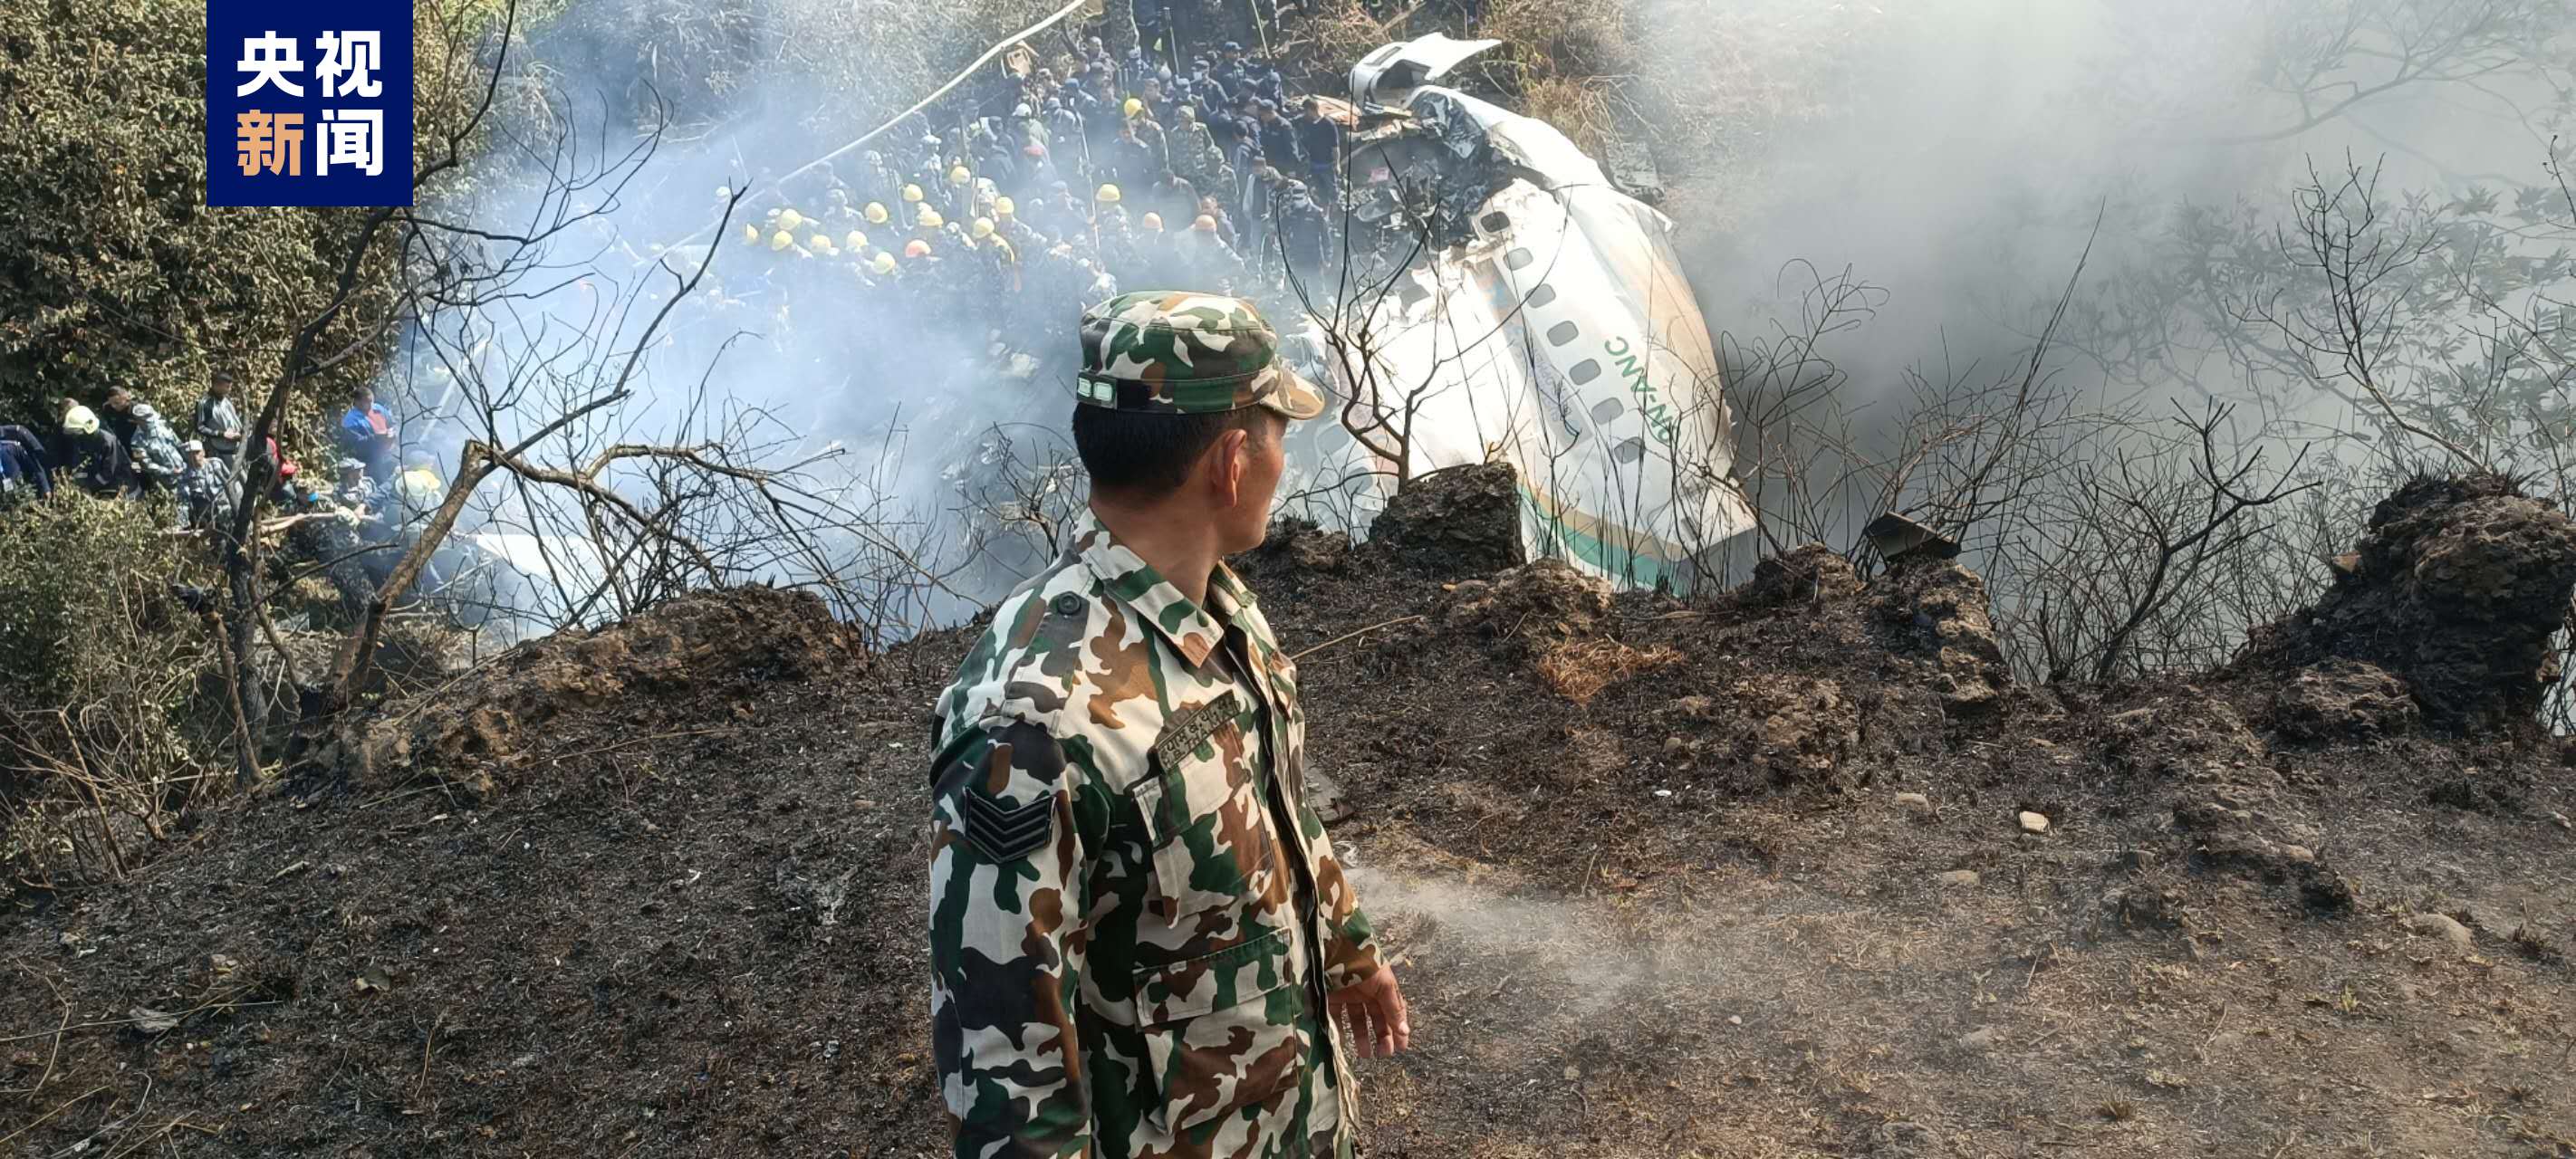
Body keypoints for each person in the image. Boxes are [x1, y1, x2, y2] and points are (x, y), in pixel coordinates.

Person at [927, 292, 1409, 1159]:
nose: (1280, 463)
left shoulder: (1217, 610)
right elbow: (1001, 1055)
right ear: (1232, 461)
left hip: (1282, 1120)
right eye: (1277, 436)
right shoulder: (1034, 714)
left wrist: (1345, 944)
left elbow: (1275, 805)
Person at [103, 387, 184, 493]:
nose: (114, 406)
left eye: (117, 403)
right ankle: (146, 488)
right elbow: (109, 425)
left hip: (144, 445)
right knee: (137, 469)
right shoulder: (107, 409)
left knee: (150, 468)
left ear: (126, 398)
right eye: (111, 403)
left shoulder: (138, 411)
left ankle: (155, 486)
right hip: (126, 447)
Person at [173, 439, 236, 533]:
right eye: (191, 453)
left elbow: (230, 484)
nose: (195, 456)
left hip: (226, 509)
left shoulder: (216, 463)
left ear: (203, 452)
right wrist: (181, 523)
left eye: (197, 452)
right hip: (206, 516)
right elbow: (184, 501)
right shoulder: (185, 475)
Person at [338, 386, 398, 483]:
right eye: (367, 402)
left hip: (390, 453)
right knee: (382, 483)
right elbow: (356, 444)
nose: (371, 405)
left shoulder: (378, 408)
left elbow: (392, 424)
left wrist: (393, 432)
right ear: (357, 402)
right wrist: (378, 438)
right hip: (372, 460)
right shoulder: (350, 420)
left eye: (371, 401)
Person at [1297, 98, 1345, 199]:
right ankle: (1324, 207)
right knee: (1319, 188)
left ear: (1311, 110)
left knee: (1332, 188)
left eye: (1305, 111)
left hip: (1327, 164)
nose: (1304, 114)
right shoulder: (1307, 121)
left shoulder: (1329, 124)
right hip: (1313, 162)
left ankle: (1335, 207)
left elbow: (1335, 147)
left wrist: (1337, 164)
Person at [196, 370, 246, 463]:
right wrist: (222, 434)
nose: (229, 389)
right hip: (222, 453)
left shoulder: (226, 400)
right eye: (227, 387)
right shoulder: (205, 404)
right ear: (217, 385)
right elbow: (200, 427)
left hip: (238, 449)